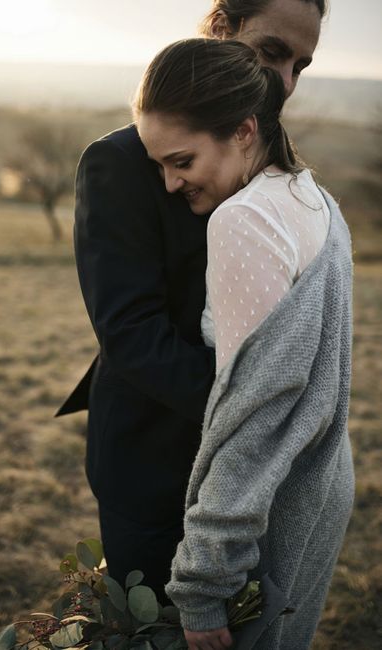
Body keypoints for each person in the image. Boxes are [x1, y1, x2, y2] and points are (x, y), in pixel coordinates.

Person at [56, 0, 326, 605]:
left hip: (252, 479)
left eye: (301, 66)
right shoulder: (120, 163)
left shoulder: (272, 167)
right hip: (151, 461)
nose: (284, 81)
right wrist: (255, 410)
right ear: (222, 30)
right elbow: (130, 333)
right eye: (274, 52)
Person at [134, 38, 354, 650]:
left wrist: (204, 587)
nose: (172, 184)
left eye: (182, 160)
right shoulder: (315, 198)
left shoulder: (244, 219)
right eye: (159, 166)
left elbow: (255, 420)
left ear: (243, 130)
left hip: (272, 507)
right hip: (324, 479)